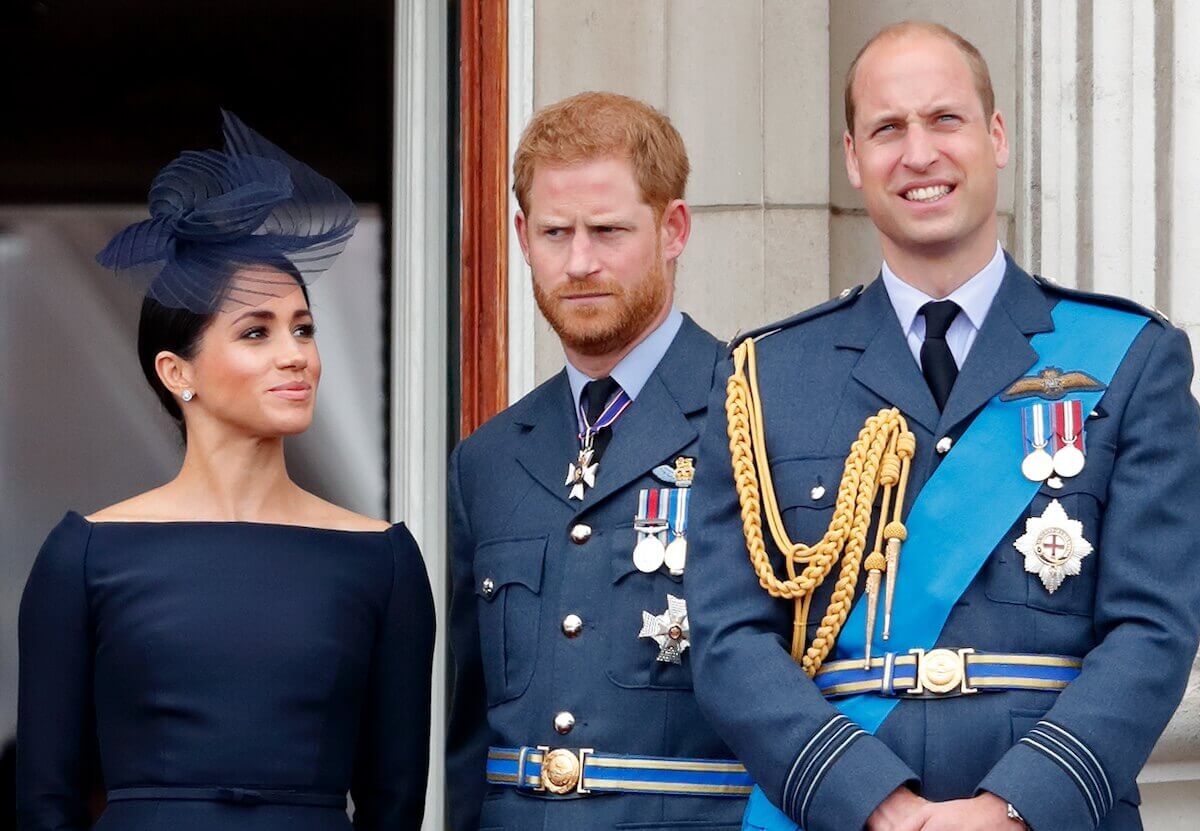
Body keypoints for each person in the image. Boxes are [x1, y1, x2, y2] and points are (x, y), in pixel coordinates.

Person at [688, 21, 1200, 831]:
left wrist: (1013, 806)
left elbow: (1153, 626)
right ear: (853, 157)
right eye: (888, 128)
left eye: (945, 119)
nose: (918, 153)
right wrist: (876, 804)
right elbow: (727, 641)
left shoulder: (1131, 359)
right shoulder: (765, 379)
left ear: (996, 137)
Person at [17, 112, 434, 831]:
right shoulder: (83, 554)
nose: (296, 354)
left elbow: (394, 803)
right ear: (178, 372)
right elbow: (44, 800)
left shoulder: (383, 559)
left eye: (303, 327)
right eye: (256, 331)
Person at [446, 91, 752, 830]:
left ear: (673, 228)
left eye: (608, 231)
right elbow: (469, 738)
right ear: (522, 237)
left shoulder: (758, 417)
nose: (579, 262)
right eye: (555, 232)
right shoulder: (487, 459)